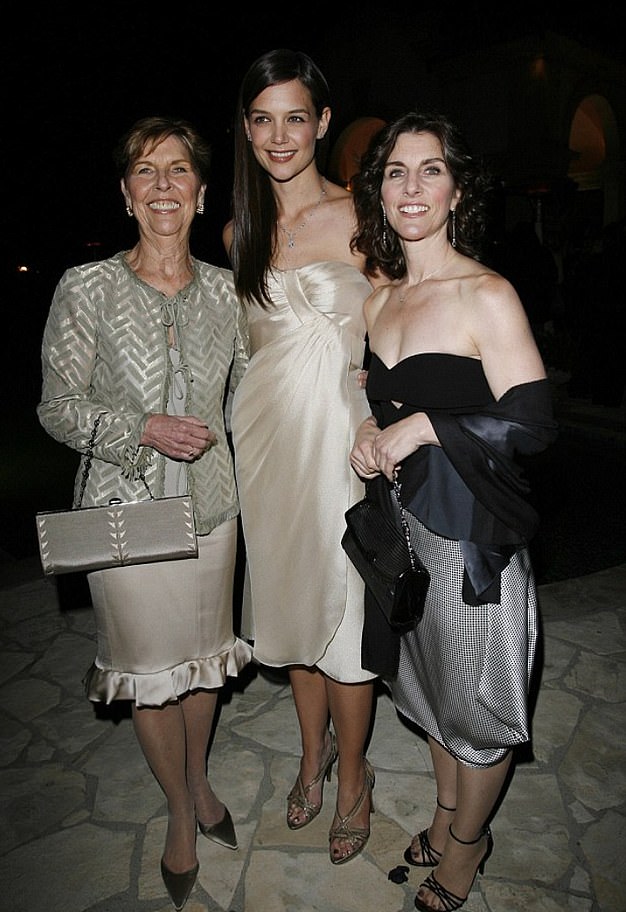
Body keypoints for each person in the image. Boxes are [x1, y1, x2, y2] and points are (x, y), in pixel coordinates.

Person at [37, 116, 252, 911]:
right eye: (144, 171)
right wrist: (141, 429)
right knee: (149, 673)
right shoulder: (85, 286)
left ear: (200, 193)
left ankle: (199, 782)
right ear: (126, 195)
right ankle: (178, 811)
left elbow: (258, 392)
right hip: (122, 516)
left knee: (202, 662)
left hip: (212, 511)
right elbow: (56, 407)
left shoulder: (229, 292)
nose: (163, 183)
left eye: (177, 170)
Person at [350, 112, 558, 911]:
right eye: (395, 172)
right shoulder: (381, 300)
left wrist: (427, 426)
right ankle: (444, 817)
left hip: (474, 544)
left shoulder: (487, 293)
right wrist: (371, 434)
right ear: (381, 191)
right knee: (434, 693)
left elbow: (534, 427)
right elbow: (385, 399)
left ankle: (467, 847)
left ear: (456, 188)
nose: (411, 187)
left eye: (429, 170)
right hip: (404, 536)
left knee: (481, 709)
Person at [223, 49, 384, 865]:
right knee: (290, 611)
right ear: (246, 129)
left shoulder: (365, 212)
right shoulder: (237, 230)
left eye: (295, 116)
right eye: (262, 118)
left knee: (347, 620)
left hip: (342, 446)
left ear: (322, 123)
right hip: (265, 444)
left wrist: (390, 403)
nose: (278, 135)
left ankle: (354, 777)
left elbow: (403, 322)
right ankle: (311, 751)